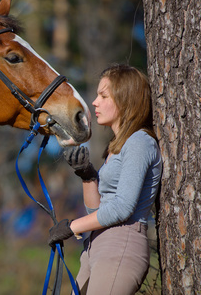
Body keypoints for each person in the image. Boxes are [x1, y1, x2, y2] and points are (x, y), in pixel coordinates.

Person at [48, 64, 162, 295]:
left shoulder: (140, 142)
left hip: (120, 246)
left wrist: (72, 227)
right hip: (95, 247)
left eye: (103, 95)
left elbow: (122, 208)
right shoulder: (115, 148)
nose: (94, 102)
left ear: (125, 98)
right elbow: (96, 210)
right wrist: (87, 175)